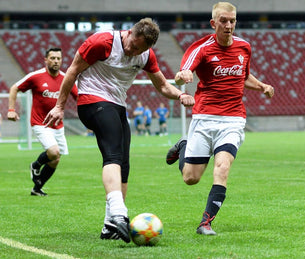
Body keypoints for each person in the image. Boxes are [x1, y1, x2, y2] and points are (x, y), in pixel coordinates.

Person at [43, 18, 195, 243]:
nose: (133, 51)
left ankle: (109, 226)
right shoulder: (102, 42)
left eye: (139, 50)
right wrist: (59, 106)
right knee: (113, 154)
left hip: (117, 106)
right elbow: (73, 70)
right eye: (133, 45)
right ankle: (119, 213)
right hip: (91, 102)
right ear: (130, 33)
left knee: (124, 165)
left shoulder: (145, 55)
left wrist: (181, 95)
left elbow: (162, 85)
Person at [166, 2, 274, 235]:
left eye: (232, 21)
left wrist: (262, 86)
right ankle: (184, 145)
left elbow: (242, 76)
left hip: (233, 119)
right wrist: (182, 75)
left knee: (222, 168)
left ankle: (205, 223)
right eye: (223, 21)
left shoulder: (245, 47)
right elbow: (182, 73)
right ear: (213, 23)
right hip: (204, 118)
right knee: (190, 178)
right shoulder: (202, 48)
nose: (228, 25)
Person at [7, 47, 78, 196]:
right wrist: (11, 110)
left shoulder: (67, 78)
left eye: (58, 58)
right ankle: (35, 165)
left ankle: (37, 189)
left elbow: (79, 97)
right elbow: (14, 88)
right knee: (53, 152)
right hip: (40, 123)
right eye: (52, 58)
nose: (56, 61)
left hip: (57, 125)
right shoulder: (36, 76)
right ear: (46, 60)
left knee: (55, 159)